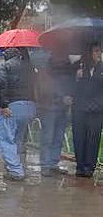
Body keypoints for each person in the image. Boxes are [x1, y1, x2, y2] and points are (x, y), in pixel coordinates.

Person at [0, 48, 36, 181]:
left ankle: (16, 170)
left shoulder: (4, 67)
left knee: (7, 139)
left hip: (11, 107)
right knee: (19, 138)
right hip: (29, 106)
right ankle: (19, 164)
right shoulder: (30, 67)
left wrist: (3, 105)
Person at [38, 47, 75, 176]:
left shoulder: (69, 67)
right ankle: (45, 165)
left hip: (63, 107)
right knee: (48, 136)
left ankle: (53, 163)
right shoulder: (47, 68)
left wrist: (70, 95)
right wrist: (62, 97)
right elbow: (46, 86)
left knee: (58, 136)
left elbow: (71, 84)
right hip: (49, 106)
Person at [72, 43, 103, 178]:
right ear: (89, 53)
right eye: (96, 51)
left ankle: (89, 167)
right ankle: (80, 166)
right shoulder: (79, 66)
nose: (98, 54)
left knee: (93, 138)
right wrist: (76, 79)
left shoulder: (101, 69)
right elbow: (70, 87)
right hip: (80, 108)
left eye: (100, 51)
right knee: (79, 137)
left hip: (96, 110)